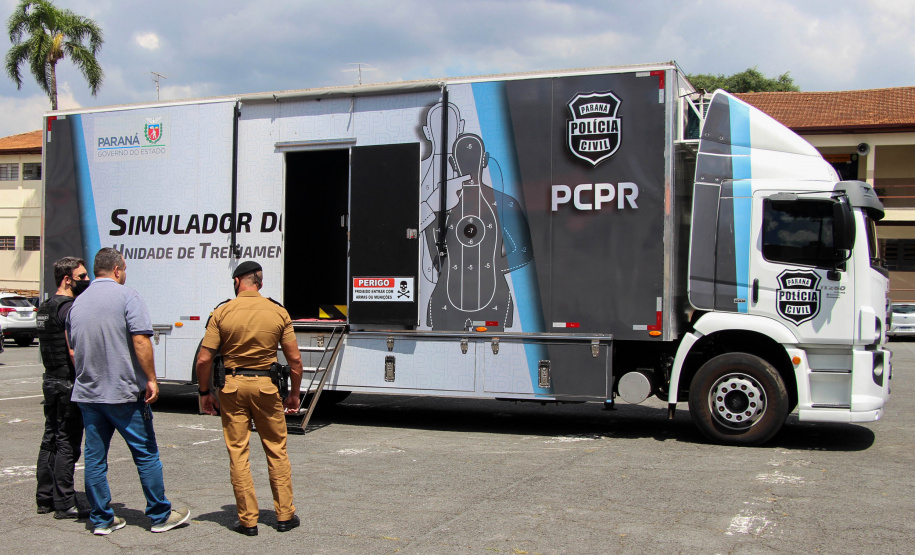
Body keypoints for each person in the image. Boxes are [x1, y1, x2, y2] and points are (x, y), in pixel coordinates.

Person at [66, 248, 190, 536]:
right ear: (118, 269)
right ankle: (160, 515)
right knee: (146, 453)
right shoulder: (128, 296)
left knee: (95, 458)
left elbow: (74, 348)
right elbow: (141, 341)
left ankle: (101, 519)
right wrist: (151, 379)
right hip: (122, 391)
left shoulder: (77, 304)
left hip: (88, 393)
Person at [195, 260, 304, 536]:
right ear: (260, 283)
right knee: (276, 449)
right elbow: (295, 362)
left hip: (232, 387)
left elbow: (204, 359)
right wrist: (293, 394)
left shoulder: (222, 312)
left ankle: (248, 521)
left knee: (238, 452)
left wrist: (204, 393)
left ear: (237, 282)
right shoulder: (278, 312)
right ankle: (285, 516)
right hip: (267, 387)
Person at [35, 256, 91, 518]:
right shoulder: (69, 308)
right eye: (81, 277)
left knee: (50, 440)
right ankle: (65, 502)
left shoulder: (45, 307)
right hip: (67, 383)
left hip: (49, 380)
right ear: (67, 279)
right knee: (67, 442)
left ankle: (44, 498)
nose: (87, 280)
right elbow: (72, 350)